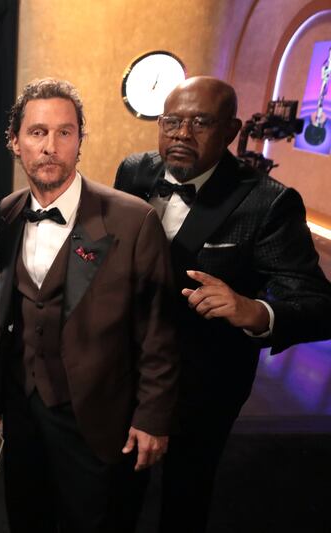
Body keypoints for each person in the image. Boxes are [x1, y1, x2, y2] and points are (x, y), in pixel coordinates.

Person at [114, 76, 331, 533]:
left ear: (231, 130)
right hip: (130, 369)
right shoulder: (133, 171)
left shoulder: (269, 202)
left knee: (186, 494)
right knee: (118, 487)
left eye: (200, 123)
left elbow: (315, 301)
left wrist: (253, 310)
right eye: (171, 121)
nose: (181, 134)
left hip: (206, 381)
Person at [0, 78, 179, 533]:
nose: (50, 146)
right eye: (37, 132)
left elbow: (159, 330)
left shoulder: (133, 220)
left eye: (65, 132)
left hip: (98, 416)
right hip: (24, 409)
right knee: (27, 516)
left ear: (80, 140)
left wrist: (152, 416)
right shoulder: (6, 212)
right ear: (14, 142)